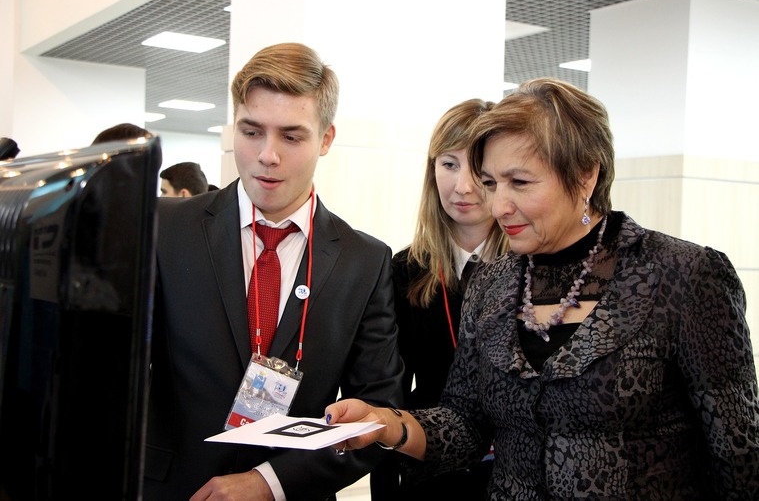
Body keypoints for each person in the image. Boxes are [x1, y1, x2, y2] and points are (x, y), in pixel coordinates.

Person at [326, 77, 759, 499]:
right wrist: (388, 424)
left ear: (586, 175)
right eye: (492, 183)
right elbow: (465, 424)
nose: (499, 206)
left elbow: (739, 454)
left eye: (520, 182)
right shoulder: (492, 283)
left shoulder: (684, 275)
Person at [143, 42, 404, 501]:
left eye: (291, 136)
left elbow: (375, 412)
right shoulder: (166, 228)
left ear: (326, 139)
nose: (268, 155)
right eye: (251, 131)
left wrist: (270, 483)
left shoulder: (363, 261)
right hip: (175, 488)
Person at [370, 99, 508, 500]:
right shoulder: (403, 270)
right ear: (432, 170)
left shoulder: (532, 269)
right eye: (449, 164)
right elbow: (389, 395)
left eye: (478, 169)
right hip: (429, 471)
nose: (462, 186)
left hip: (512, 475)